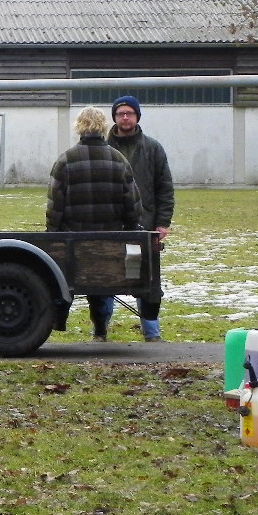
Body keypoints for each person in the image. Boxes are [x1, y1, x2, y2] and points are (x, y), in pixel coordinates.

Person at [46, 106, 141, 342]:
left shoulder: (65, 161)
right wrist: (131, 228)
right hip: (108, 238)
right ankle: (100, 330)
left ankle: (59, 320)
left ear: (79, 127)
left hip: (72, 239)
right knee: (102, 285)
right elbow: (132, 204)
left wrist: (52, 233)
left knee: (66, 281)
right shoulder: (119, 160)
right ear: (103, 127)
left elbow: (55, 204)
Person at [104, 94, 175, 342]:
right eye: (120, 113)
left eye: (130, 113)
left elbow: (164, 188)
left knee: (148, 280)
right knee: (103, 279)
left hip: (146, 227)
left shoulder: (153, 148)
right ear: (114, 117)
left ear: (137, 116)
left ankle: (152, 333)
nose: (125, 117)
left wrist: (162, 223)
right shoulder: (103, 148)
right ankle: (100, 331)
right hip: (110, 226)